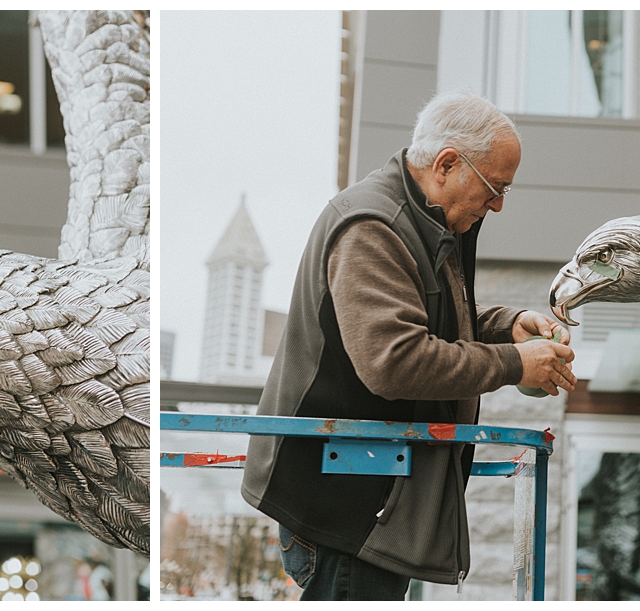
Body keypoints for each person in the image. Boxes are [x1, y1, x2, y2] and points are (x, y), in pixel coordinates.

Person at [241, 92, 575, 600]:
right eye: (495, 187)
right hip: (350, 506)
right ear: (446, 165)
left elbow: (428, 323)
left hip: (363, 496)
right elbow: (394, 360)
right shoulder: (374, 228)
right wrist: (513, 363)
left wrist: (508, 327)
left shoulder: (419, 219)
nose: (499, 205)